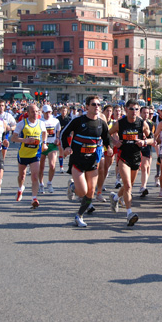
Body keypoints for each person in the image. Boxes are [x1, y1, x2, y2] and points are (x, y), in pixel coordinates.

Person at [61, 95, 112, 228]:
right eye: (94, 104)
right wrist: (66, 147)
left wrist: (110, 147)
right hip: (77, 160)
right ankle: (73, 187)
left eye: (98, 105)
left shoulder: (101, 123)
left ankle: (79, 216)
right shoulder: (78, 121)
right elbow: (64, 133)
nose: (97, 107)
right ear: (87, 107)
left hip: (92, 162)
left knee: (90, 192)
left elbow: (107, 138)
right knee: (82, 192)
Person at [108, 99, 153, 226]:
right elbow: (107, 133)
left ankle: (115, 198)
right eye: (132, 109)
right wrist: (115, 142)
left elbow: (151, 139)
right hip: (123, 157)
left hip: (136, 157)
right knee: (127, 186)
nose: (134, 111)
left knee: (129, 185)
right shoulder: (120, 123)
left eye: (137, 109)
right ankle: (129, 214)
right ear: (126, 110)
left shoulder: (142, 123)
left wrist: (144, 142)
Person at [11, 104, 48, 208]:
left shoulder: (41, 123)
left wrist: (44, 143)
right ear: (28, 113)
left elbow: (45, 133)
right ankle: (20, 188)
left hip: (35, 154)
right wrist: (24, 140)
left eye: (37, 111)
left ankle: (34, 198)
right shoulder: (22, 124)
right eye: (33, 112)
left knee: (35, 176)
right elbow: (13, 138)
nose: (35, 114)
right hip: (23, 154)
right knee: (22, 175)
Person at [38, 105, 61, 194]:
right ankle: (41, 184)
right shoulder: (39, 121)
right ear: (43, 112)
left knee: (52, 165)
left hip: (52, 145)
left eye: (49, 112)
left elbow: (58, 129)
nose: (48, 114)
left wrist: (57, 137)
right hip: (42, 145)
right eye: (46, 112)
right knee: (41, 167)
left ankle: (49, 183)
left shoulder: (55, 120)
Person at [138, 106, 154, 197]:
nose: (146, 114)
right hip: (138, 147)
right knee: (142, 167)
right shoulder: (137, 122)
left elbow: (152, 136)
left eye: (147, 113)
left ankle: (143, 186)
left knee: (146, 167)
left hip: (147, 146)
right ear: (140, 113)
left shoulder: (151, 123)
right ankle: (141, 186)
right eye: (144, 112)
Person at [56, 105, 72, 173]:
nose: (63, 112)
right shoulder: (57, 119)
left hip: (68, 137)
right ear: (60, 111)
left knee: (69, 152)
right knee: (61, 151)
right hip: (60, 136)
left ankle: (70, 166)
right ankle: (61, 167)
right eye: (62, 110)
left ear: (67, 111)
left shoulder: (69, 119)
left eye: (65, 111)